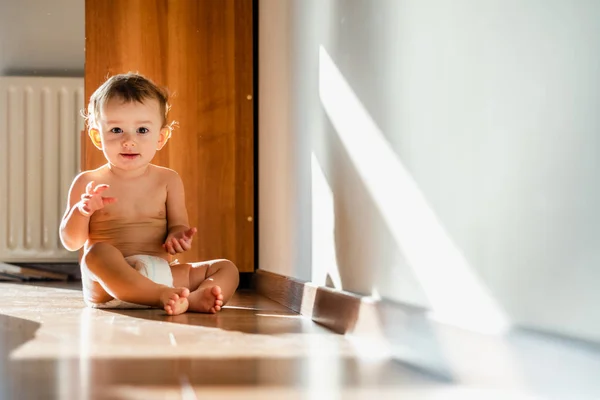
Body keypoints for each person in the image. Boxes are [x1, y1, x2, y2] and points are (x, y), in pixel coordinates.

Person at [59, 72, 239, 315]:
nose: (129, 141)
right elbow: (72, 242)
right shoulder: (88, 182)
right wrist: (83, 211)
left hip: (160, 275)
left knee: (226, 268)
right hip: (109, 286)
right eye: (116, 130)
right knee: (97, 253)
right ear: (96, 137)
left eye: (142, 130)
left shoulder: (168, 180)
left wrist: (178, 237)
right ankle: (160, 297)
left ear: (161, 137)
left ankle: (192, 298)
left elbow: (178, 226)